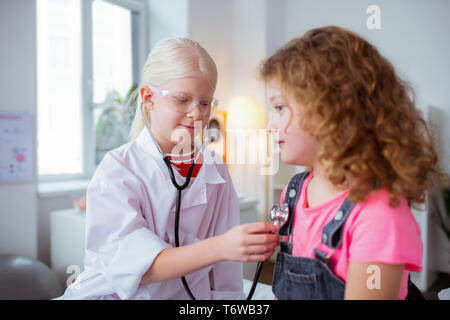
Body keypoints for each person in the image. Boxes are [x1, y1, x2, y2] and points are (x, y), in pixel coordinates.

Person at [56, 37, 279, 300]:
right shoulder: (118, 169)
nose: (197, 113)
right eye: (183, 100)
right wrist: (221, 246)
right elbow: (136, 267)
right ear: (149, 98)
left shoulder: (214, 167)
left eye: (205, 103)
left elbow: (225, 274)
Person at [261, 26, 447, 300]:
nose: (270, 125)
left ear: (330, 109)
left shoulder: (379, 215)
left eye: (280, 108)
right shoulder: (296, 189)